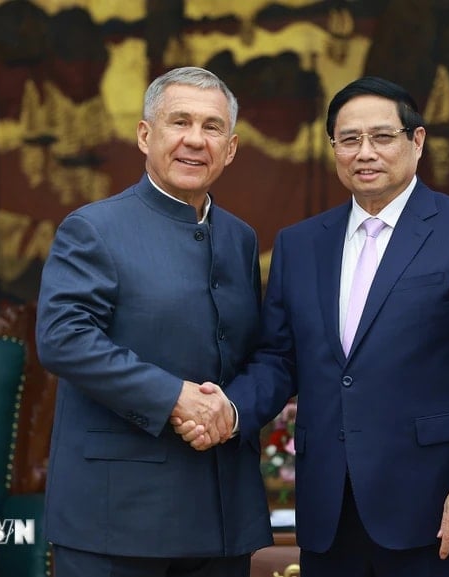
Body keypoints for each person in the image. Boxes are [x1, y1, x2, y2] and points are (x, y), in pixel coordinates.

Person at [177, 76, 449, 577]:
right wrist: (227, 410)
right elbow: (279, 360)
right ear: (334, 148)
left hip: (437, 508)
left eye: (382, 137)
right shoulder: (300, 244)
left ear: (416, 141)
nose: (366, 152)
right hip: (329, 512)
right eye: (349, 139)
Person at [35, 66, 272, 577]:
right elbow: (63, 339)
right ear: (146, 135)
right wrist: (174, 397)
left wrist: (229, 410)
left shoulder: (240, 239)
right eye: (179, 121)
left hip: (223, 516)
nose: (194, 140)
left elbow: (256, 351)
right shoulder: (94, 228)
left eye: (211, 127)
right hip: (117, 517)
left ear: (230, 149)